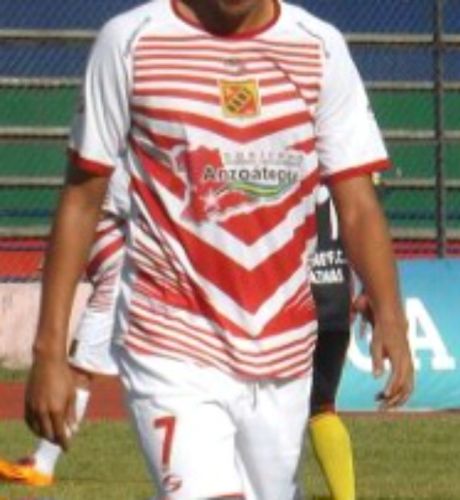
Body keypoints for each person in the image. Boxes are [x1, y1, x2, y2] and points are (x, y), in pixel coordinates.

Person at [24, 1, 414, 499]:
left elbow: (357, 204)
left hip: (284, 349)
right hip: (170, 340)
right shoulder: (131, 41)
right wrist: (49, 351)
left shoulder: (319, 48)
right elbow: (81, 199)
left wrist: (391, 315)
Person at [0, 168, 129, 486]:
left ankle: (43, 464)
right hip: (119, 278)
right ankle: (42, 462)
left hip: (121, 284)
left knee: (80, 369)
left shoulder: (123, 172)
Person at [308, 185, 355, 500]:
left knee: (258, 402)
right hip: (335, 293)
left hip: (290, 298)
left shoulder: (277, 160)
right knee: (322, 406)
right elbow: (362, 218)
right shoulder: (345, 170)